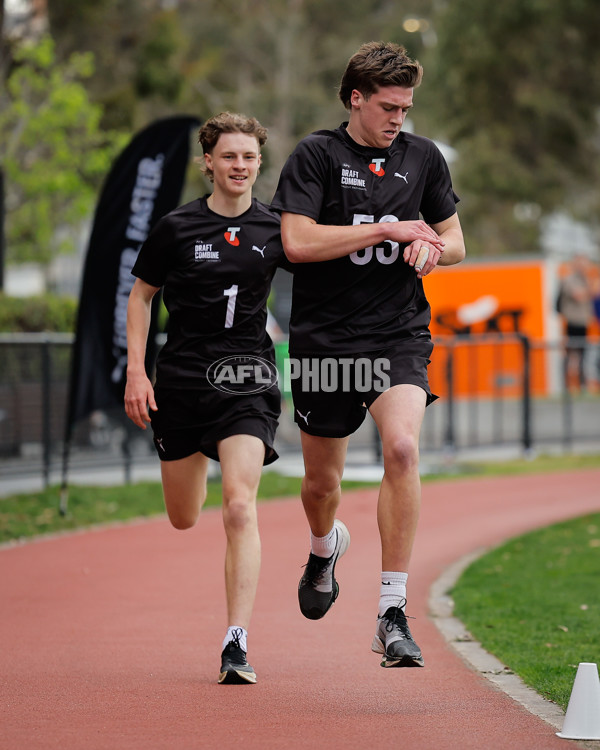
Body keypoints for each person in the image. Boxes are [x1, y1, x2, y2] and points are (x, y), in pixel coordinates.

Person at [271, 41, 466, 668]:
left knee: (404, 448)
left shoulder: (423, 159)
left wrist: (432, 249)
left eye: (406, 109)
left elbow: (456, 238)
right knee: (321, 483)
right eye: (387, 107)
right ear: (355, 98)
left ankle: (391, 612)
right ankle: (325, 548)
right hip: (326, 340)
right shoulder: (316, 156)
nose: (398, 119)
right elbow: (296, 243)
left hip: (397, 334)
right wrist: (386, 229)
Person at [125, 112, 290, 685]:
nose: (239, 166)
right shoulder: (176, 227)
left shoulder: (276, 228)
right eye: (229, 156)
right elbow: (141, 297)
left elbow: (328, 272)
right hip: (181, 382)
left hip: (247, 378)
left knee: (240, 506)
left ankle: (236, 642)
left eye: (248, 157)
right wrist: (136, 374)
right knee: (183, 517)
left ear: (258, 163)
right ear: (209, 163)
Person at [557, 254, 594, 391]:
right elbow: (577, 295)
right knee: (570, 354)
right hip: (572, 322)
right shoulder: (569, 280)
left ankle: (582, 385)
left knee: (583, 355)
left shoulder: (585, 280)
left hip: (584, 322)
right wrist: (590, 287)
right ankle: (565, 386)